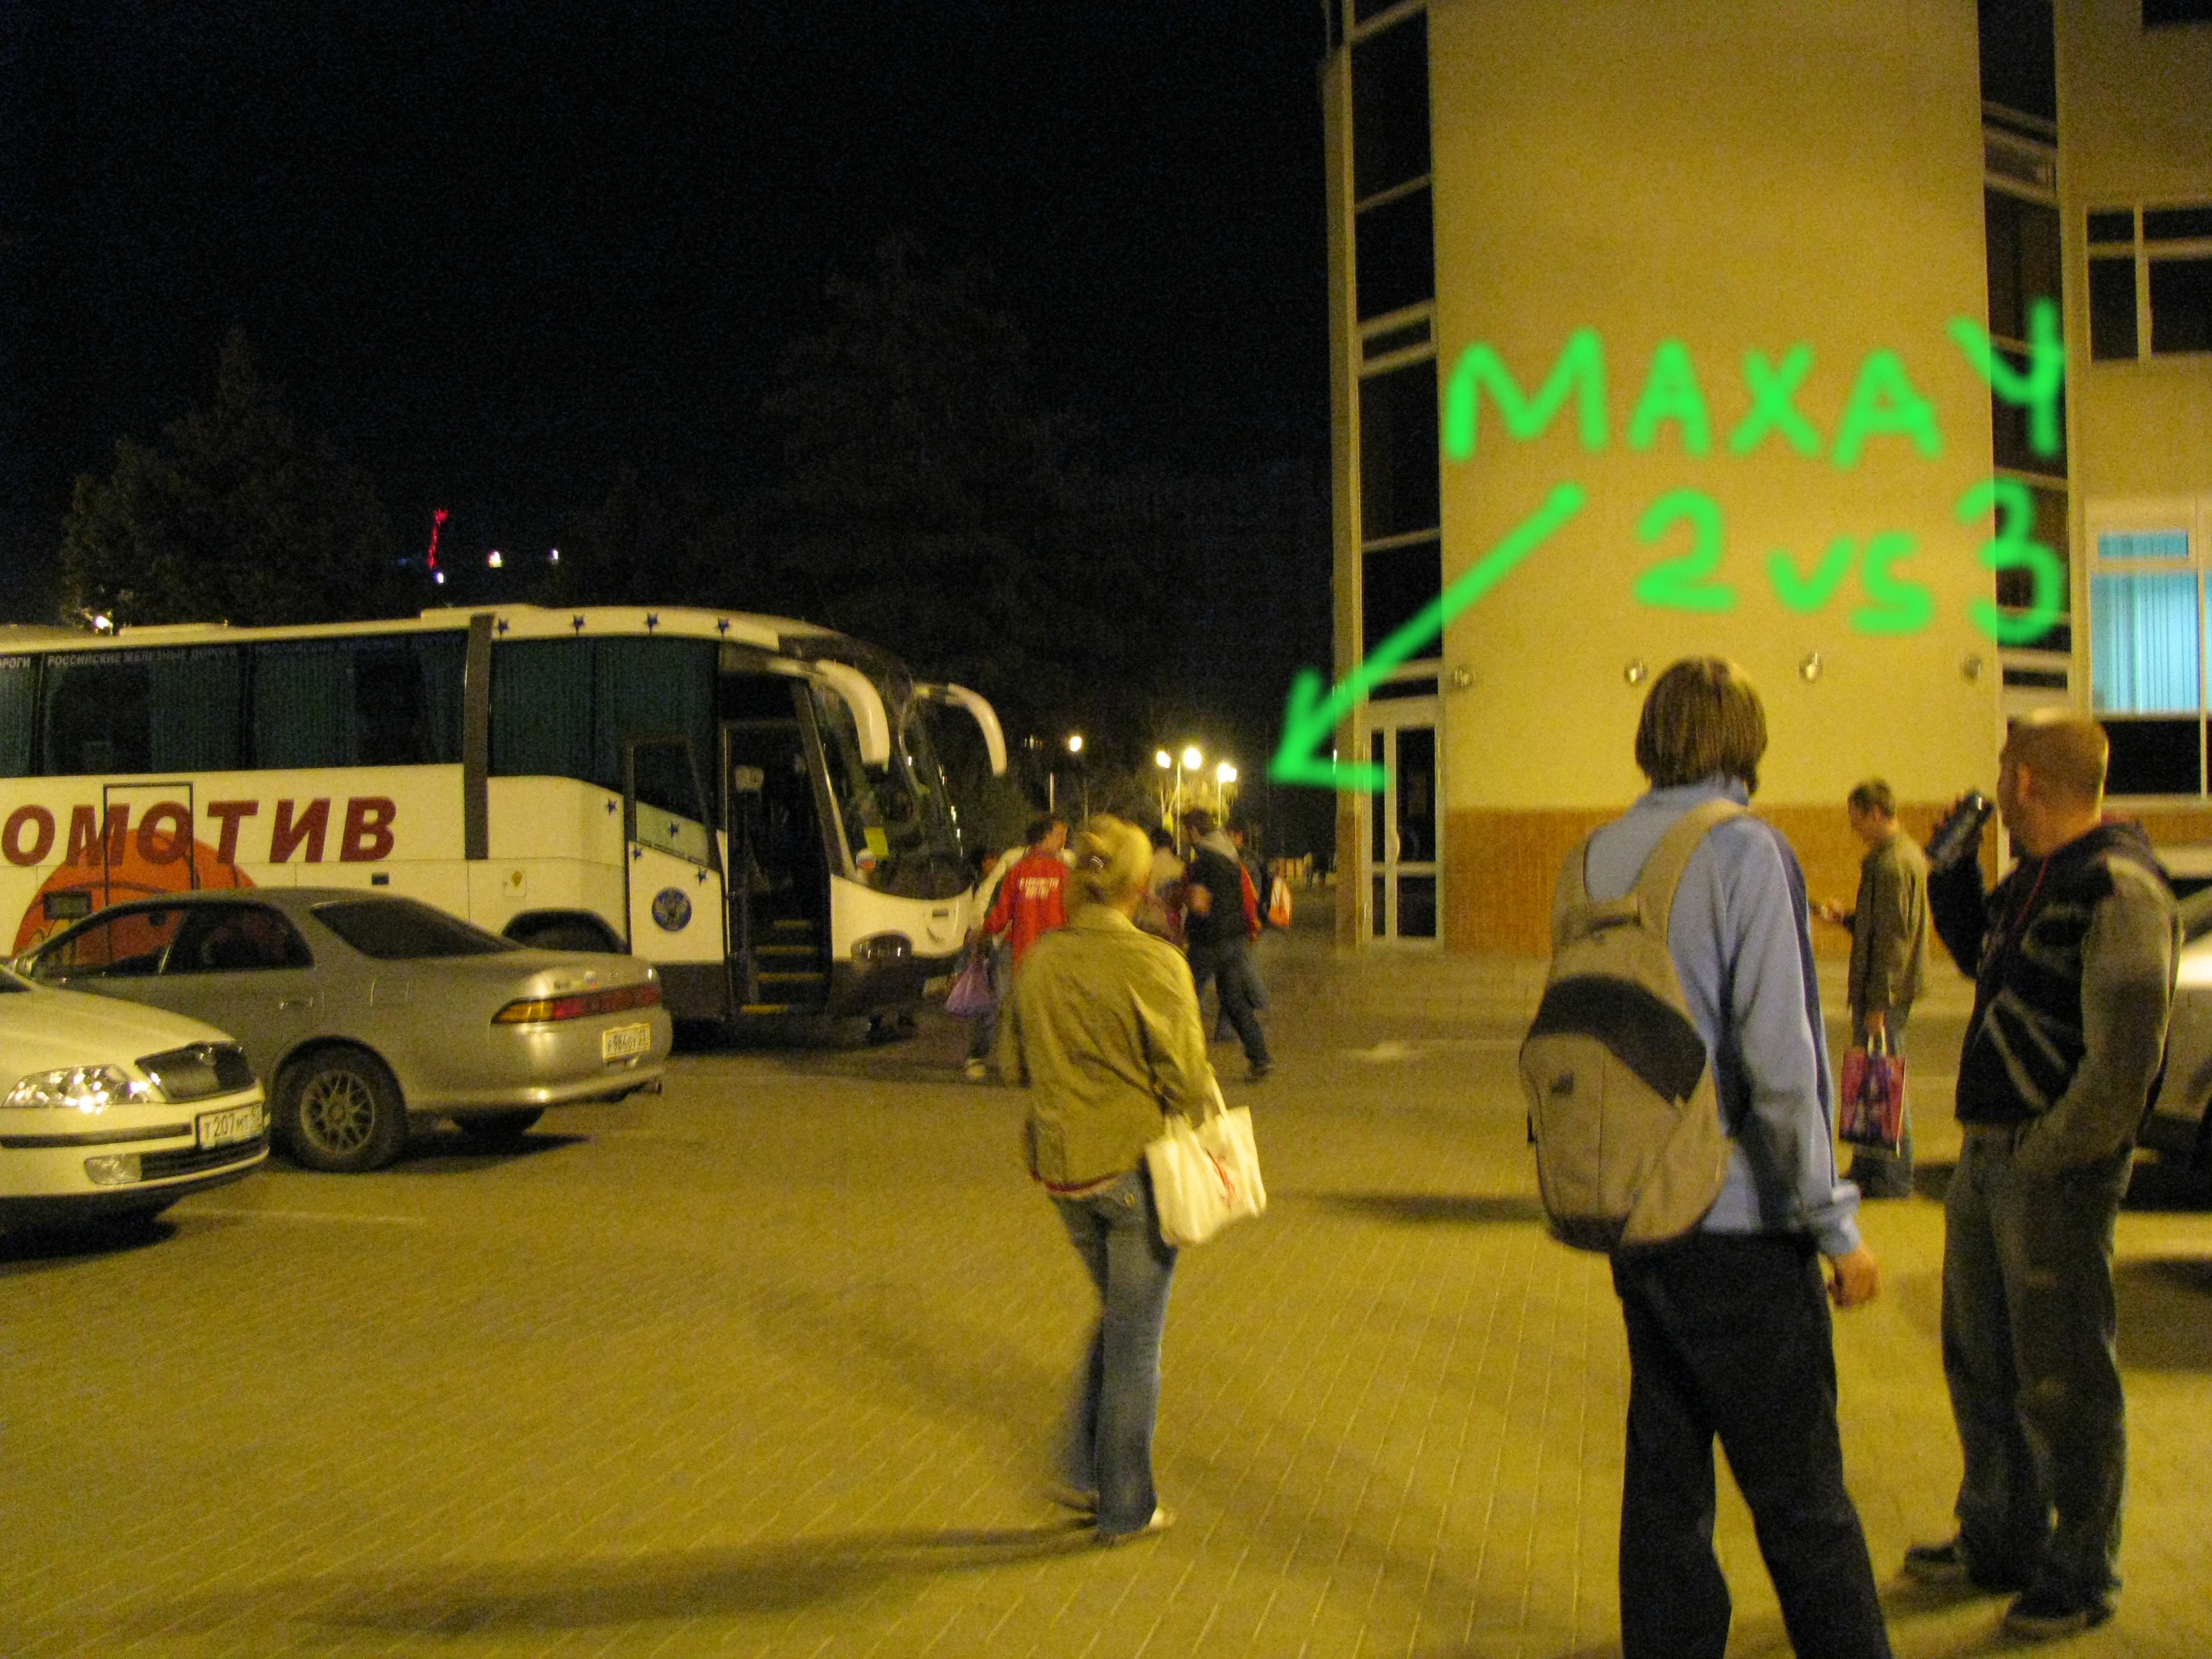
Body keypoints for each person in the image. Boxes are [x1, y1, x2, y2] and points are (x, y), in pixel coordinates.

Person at [1574, 657, 1889, 1659]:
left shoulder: (1595, 855)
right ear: (1745, 740)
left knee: (1665, 1495)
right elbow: (1783, 1065)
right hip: (1740, 1224)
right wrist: (1835, 1225)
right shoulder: (1746, 851)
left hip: (1636, 1215)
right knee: (1804, 1505)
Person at [1906, 712, 2177, 1638]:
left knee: (2064, 1380)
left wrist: (2045, 1153)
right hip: (1991, 1156)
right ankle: (2000, 1536)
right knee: (1982, 1361)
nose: (1997, 783)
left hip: (2052, 1170)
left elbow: (2124, 1065)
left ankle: (2082, 1569)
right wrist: (1950, 873)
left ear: (2026, 780)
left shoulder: (2117, 887)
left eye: (2003, 768)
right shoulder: (2038, 879)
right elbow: (1984, 962)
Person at [998, 815, 1213, 1543]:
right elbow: (1186, 1081)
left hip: (1064, 1175)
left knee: (1121, 1319)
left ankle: (1081, 1469)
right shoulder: (1156, 964)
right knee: (1135, 1347)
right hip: (1132, 1173)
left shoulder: (1040, 960)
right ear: (1140, 884)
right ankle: (1125, 1506)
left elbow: (1012, 1065)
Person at [1814, 778, 1931, 1198]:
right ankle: (1869, 1166)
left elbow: (1893, 942)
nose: (1854, 829)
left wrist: (1880, 1002)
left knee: (1886, 1081)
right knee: (1870, 1080)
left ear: (1876, 813)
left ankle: (1893, 1176)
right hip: (1885, 990)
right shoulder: (1898, 857)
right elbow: (1881, 927)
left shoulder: (1892, 864)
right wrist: (1847, 918)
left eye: (1857, 820)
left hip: (1885, 994)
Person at [1180, 808, 1271, 1080]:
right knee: (1234, 1000)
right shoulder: (1229, 856)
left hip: (1208, 941)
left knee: (1182, 995)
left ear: (1193, 830)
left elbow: (1199, 904)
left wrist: (1182, 898)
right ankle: (1260, 1058)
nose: (1184, 836)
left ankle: (1179, 1062)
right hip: (1234, 939)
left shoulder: (1203, 862)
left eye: (1185, 831)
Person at [960, 840, 1023, 1082]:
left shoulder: (1060, 865)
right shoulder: (1012, 866)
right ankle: (976, 1055)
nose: (1061, 840)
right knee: (997, 1000)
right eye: (1058, 834)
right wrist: (982, 930)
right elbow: (990, 905)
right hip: (1005, 943)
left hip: (1034, 945)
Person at [1135, 825, 1185, 946]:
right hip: (1174, 926)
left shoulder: (1146, 865)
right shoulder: (1181, 867)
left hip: (1150, 924)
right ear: (1171, 845)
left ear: (1153, 844)